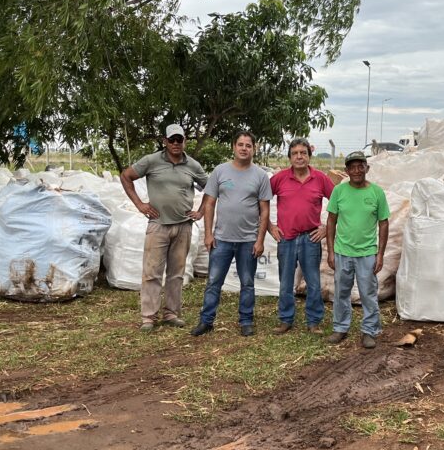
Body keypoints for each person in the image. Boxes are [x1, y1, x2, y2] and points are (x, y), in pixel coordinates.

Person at [120, 123, 207, 332]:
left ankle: (171, 314)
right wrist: (140, 204)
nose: (176, 143)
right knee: (152, 273)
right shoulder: (151, 161)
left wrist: (201, 211)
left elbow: (211, 187)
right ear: (165, 141)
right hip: (158, 225)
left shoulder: (193, 165)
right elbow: (126, 176)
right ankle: (149, 317)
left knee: (176, 274)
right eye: (172, 140)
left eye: (179, 139)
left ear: (185, 141)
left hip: (183, 226)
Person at [191, 131, 271, 337]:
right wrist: (208, 234)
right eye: (240, 144)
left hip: (248, 240)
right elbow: (209, 204)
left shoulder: (260, 176)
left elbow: (264, 210)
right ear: (233, 147)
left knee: (247, 283)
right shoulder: (220, 171)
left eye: (248, 145)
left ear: (254, 149)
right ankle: (206, 321)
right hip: (221, 240)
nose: (244, 148)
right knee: (213, 282)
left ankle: (246, 321)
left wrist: (260, 240)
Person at [269, 137, 334, 333]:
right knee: (286, 282)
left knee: (313, 282)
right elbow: (260, 201)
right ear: (290, 157)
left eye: (303, 153)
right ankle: (285, 319)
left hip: (310, 238)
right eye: (295, 153)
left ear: (309, 156)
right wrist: (270, 227)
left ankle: (313, 321)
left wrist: (326, 229)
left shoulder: (320, 178)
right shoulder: (279, 178)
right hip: (286, 238)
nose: (299, 157)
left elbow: (339, 203)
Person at [325, 150, 390, 349]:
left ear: (367, 168)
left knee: (368, 294)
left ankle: (369, 330)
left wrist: (380, 254)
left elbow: (384, 223)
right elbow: (331, 221)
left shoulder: (377, 192)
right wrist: (330, 251)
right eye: (352, 167)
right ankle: (340, 327)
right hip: (342, 252)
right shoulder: (339, 191)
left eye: (360, 166)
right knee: (341, 293)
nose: (356, 171)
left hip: (367, 253)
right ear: (346, 171)